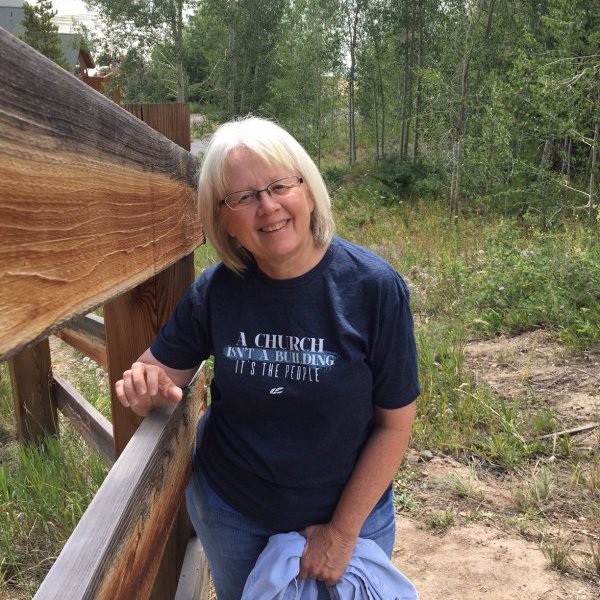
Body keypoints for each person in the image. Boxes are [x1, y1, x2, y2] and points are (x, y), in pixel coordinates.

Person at [115, 117, 420, 600]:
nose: (268, 206)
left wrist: (341, 533)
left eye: (280, 186)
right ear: (224, 220)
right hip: (235, 514)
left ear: (308, 191)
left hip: (352, 515)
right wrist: (141, 389)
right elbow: (152, 377)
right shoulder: (216, 292)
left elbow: (395, 424)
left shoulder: (374, 288)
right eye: (243, 197)